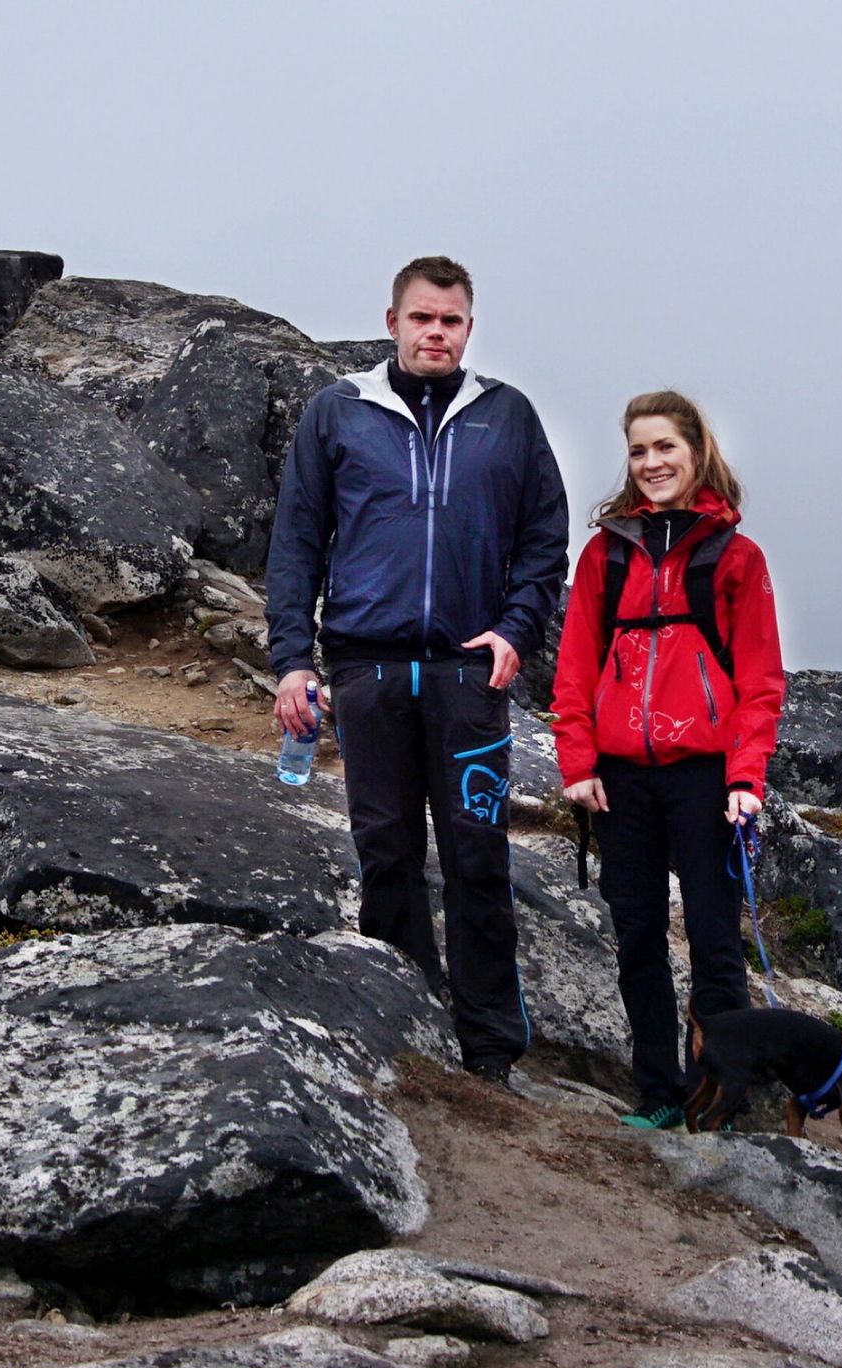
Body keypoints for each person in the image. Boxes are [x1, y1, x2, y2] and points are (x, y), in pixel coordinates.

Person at [268, 256, 570, 1083]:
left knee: (478, 856)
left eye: (453, 321)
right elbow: (296, 543)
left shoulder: (506, 418)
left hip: (467, 677)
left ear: (469, 328)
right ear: (393, 321)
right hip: (366, 671)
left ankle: (488, 1051)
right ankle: (404, 1027)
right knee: (388, 853)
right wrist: (294, 661)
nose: (437, 332)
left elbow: (545, 536)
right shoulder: (338, 413)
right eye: (423, 318)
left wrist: (517, 630)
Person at [552, 391, 785, 1129]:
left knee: (716, 944)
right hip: (619, 780)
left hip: (704, 778)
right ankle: (657, 1091)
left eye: (664, 448)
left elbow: (761, 681)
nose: (651, 463)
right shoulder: (605, 555)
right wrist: (577, 762)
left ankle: (719, 1096)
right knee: (638, 941)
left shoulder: (735, 556)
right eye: (638, 451)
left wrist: (746, 778)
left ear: (696, 451)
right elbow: (574, 669)